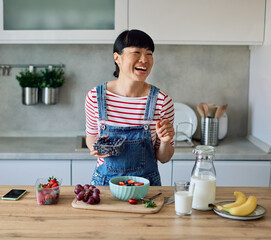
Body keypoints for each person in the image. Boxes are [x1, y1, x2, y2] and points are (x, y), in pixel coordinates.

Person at [85, 29, 175, 186]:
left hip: (146, 188)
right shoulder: (95, 97)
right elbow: (91, 137)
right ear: (117, 58)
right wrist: (96, 147)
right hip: (105, 185)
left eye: (149, 53)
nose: (144, 59)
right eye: (137, 52)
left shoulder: (162, 101)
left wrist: (166, 141)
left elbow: (164, 158)